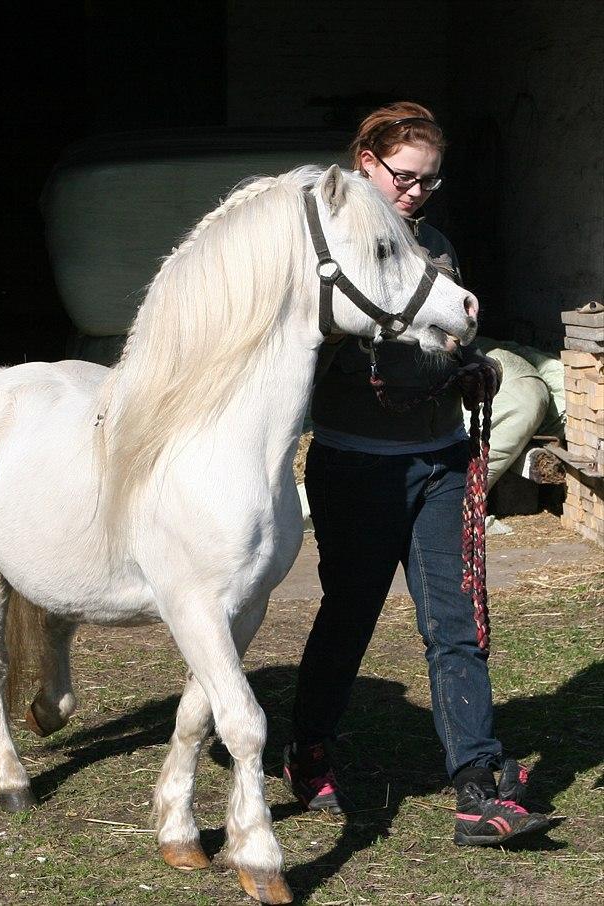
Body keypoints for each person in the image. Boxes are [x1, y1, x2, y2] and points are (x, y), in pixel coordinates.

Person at [283, 101, 550, 846]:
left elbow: (448, 338)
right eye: (404, 177)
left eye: (429, 181)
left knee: (454, 627)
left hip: (439, 463)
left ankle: (476, 785)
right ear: (364, 163)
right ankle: (307, 751)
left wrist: (472, 369)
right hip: (357, 467)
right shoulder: (328, 253)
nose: (416, 193)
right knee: (350, 616)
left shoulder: (436, 244)